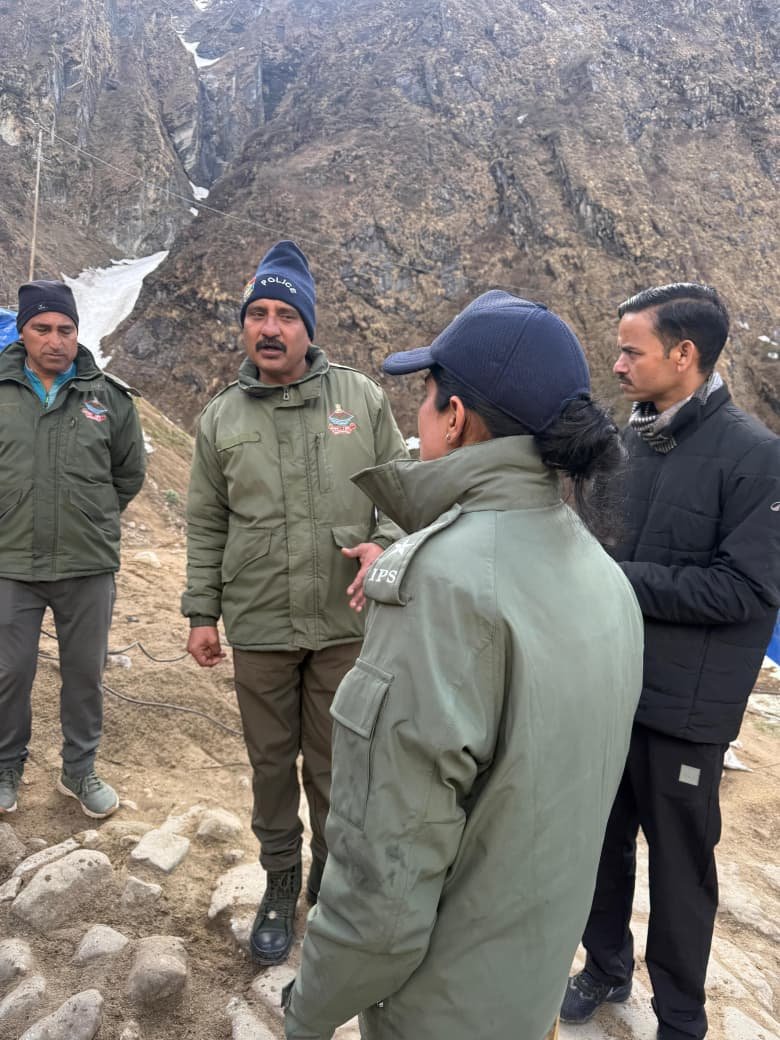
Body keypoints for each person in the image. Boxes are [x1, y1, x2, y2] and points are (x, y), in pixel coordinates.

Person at [282, 290, 645, 1040]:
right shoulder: (603, 576)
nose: (415, 415)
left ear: (454, 417)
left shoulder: (441, 585)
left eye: (424, 394)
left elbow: (384, 880)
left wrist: (309, 1012)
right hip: (529, 989)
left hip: (440, 1008)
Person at [561, 283, 780, 1039]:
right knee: (600, 843)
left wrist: (615, 577)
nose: (618, 364)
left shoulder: (756, 457)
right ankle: (604, 966)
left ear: (684, 354)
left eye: (632, 351)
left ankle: (681, 1017)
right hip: (609, 687)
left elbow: (746, 590)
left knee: (681, 868)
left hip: (685, 712)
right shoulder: (624, 446)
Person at [182, 240, 408, 966]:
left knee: (337, 766)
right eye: (258, 315)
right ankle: (280, 880)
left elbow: (400, 492)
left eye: (285, 315)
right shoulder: (220, 419)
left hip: (346, 621)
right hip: (260, 623)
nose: (270, 328)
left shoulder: (360, 400)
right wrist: (201, 613)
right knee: (272, 763)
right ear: (245, 326)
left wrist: (384, 545)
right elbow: (206, 522)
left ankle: (330, 880)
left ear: (309, 326)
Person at [0, 280, 146, 818]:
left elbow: (128, 473)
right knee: (8, 673)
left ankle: (79, 770)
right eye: (42, 328)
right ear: (23, 332)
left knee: (85, 674)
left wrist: (89, 515)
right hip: (9, 561)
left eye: (65, 329)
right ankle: (5, 767)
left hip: (86, 563)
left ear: (77, 333)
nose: (55, 339)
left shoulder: (108, 398)